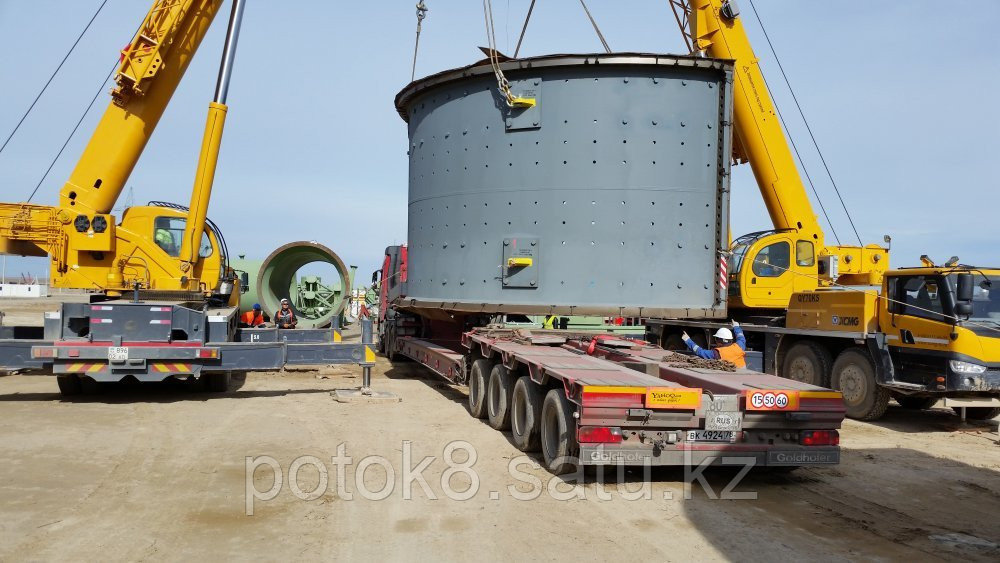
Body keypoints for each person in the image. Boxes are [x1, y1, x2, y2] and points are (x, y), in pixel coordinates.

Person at [681, 320, 747, 368]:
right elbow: (740, 337)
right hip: (744, 375)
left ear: (719, 341)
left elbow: (699, 352)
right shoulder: (739, 346)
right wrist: (736, 326)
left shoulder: (717, 353)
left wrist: (687, 340)